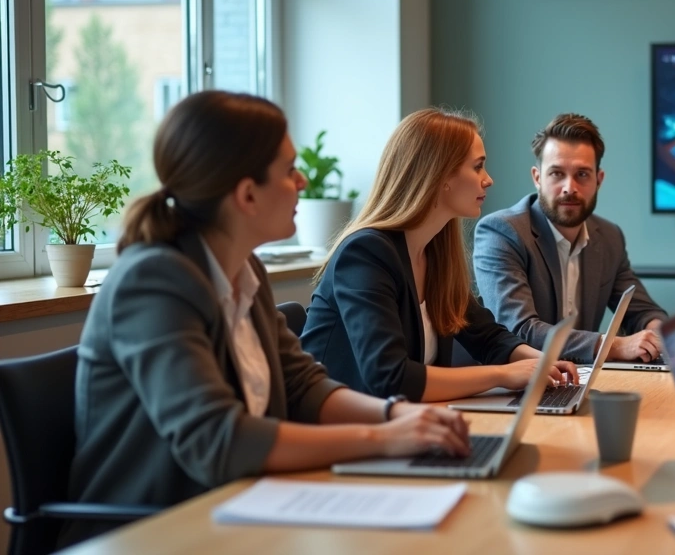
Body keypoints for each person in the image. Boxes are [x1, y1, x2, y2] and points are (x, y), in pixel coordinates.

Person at [65, 92, 470, 547]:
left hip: (241, 509)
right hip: (153, 531)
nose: (301, 182)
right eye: (289, 170)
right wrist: (383, 438)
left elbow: (303, 386)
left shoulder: (243, 268)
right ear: (247, 194)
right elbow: (220, 440)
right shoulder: (153, 281)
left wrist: (397, 416)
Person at [300, 108, 578, 402]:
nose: (488, 180)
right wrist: (503, 374)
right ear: (440, 174)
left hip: (409, 424)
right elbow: (390, 377)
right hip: (345, 433)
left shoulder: (435, 252)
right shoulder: (366, 253)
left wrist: (543, 362)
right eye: (478, 167)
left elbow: (487, 336)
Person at [472, 113, 667, 364]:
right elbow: (519, 329)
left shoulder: (609, 237)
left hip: (576, 382)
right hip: (508, 387)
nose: (569, 188)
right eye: (556, 174)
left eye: (582, 175)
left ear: (599, 180)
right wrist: (613, 345)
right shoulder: (501, 232)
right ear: (537, 178)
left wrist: (659, 334)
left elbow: (642, 311)